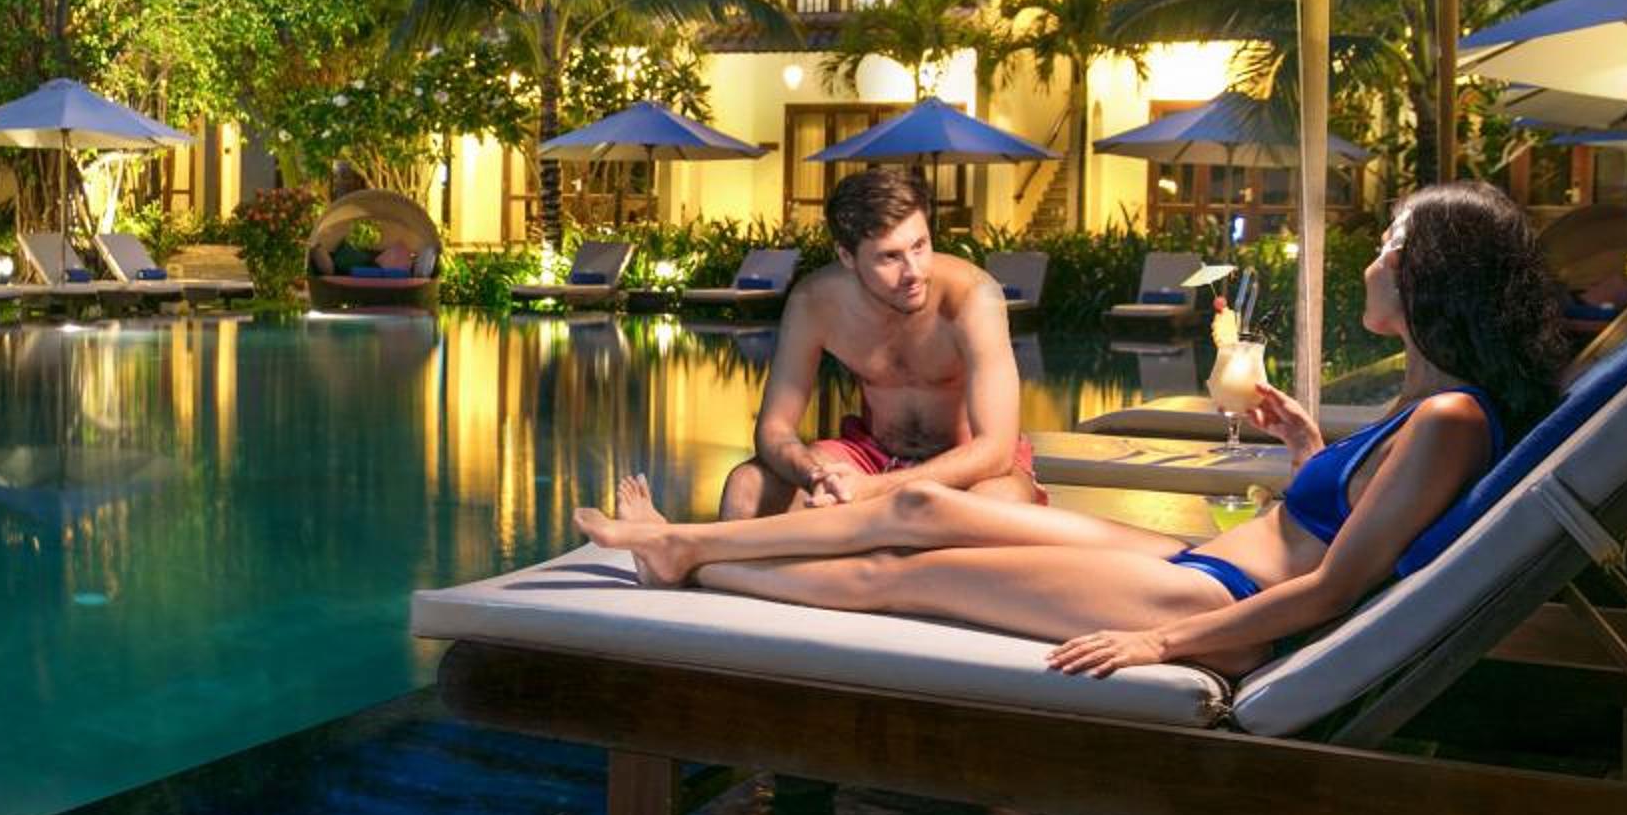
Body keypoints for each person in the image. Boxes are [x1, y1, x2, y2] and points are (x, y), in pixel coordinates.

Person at [581, 181, 1567, 679]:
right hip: (1203, 561)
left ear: (1433, 279)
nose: (1372, 262)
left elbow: (1335, 589)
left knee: (906, 575)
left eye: (1390, 247)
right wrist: (1311, 457)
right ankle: (688, 540)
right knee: (920, 507)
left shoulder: (1448, 417)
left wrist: (1160, 641)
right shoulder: (1431, 404)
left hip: (1210, 600)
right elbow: (1343, 529)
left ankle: (691, 562)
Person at [716, 168, 1038, 519]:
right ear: (847, 256)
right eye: (890, 257)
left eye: (920, 246)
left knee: (995, 504)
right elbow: (774, 429)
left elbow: (996, 450)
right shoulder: (815, 303)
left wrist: (873, 489)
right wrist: (817, 475)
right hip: (872, 456)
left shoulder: (973, 296)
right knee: (746, 488)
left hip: (968, 465)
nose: (914, 272)